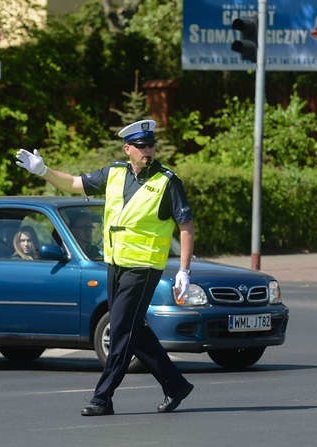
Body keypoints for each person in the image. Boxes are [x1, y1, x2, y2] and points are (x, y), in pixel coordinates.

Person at [15, 119, 194, 416]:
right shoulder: (114, 173)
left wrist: (184, 270)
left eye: (151, 145)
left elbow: (186, 225)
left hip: (143, 266)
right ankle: (175, 385)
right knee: (133, 330)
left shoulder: (167, 181)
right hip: (115, 264)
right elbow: (75, 184)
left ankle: (103, 397)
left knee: (121, 330)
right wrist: (43, 171)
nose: (148, 151)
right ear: (128, 149)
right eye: (141, 146)